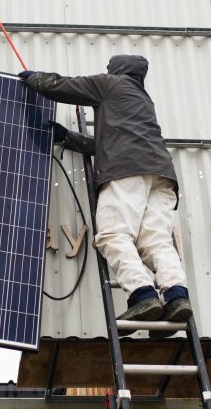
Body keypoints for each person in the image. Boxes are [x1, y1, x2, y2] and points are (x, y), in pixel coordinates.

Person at [19, 56, 192, 334]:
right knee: (157, 242)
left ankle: (142, 295)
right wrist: (69, 138)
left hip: (126, 172)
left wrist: (34, 79)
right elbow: (110, 144)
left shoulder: (109, 84)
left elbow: (64, 86)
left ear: (115, 70)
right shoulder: (142, 99)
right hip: (162, 174)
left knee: (113, 235)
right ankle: (176, 297)